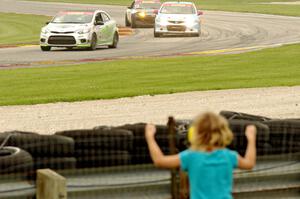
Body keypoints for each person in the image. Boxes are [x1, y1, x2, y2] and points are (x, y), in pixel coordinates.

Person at [145, 112, 257, 199]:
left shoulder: (191, 156)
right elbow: (249, 163)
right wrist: (251, 138)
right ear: (223, 132)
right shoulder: (229, 155)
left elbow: (159, 160)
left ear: (196, 133)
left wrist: (150, 137)